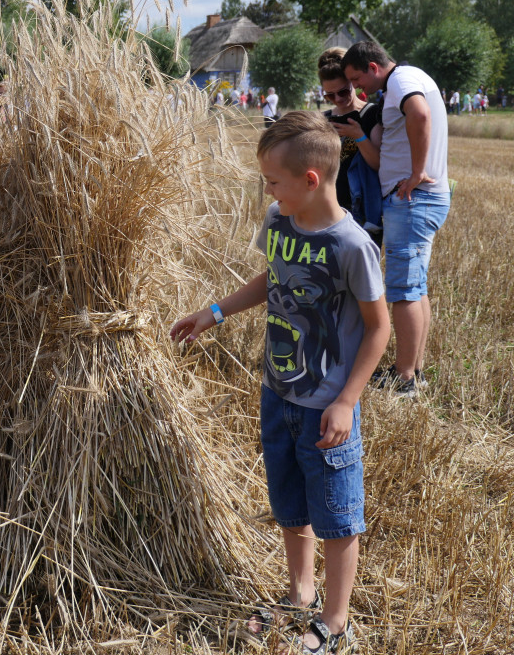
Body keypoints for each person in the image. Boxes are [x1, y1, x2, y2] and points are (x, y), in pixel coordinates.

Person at [171, 111, 389, 655]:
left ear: (310, 180)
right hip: (278, 393)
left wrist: (346, 400)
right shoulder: (280, 221)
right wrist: (216, 311)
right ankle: (299, 594)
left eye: (272, 180)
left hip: (325, 408)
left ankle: (335, 622)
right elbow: (273, 279)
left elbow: (378, 326)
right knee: (290, 505)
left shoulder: (351, 246)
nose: (266, 190)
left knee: (337, 517)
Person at [342, 41, 450, 397]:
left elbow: (419, 115)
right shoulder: (406, 80)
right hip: (416, 200)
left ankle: (404, 379)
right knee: (415, 287)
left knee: (403, 290)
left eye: (358, 79)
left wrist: (417, 173)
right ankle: (413, 369)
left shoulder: (402, 80)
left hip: (412, 199)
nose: (360, 89)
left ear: (373, 67)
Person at [318, 47, 383, 241]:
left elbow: (379, 164)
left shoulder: (372, 114)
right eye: (330, 95)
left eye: (343, 92)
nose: (338, 99)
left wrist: (359, 136)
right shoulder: (323, 119)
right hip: (328, 207)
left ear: (353, 83)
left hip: (362, 210)